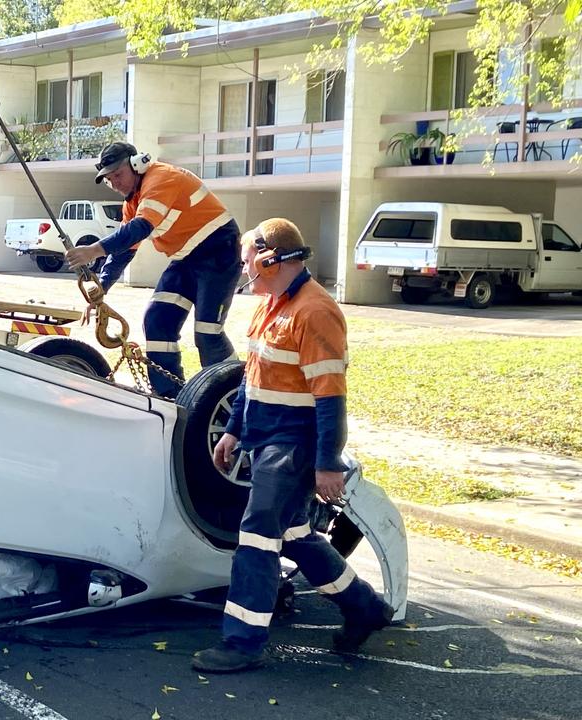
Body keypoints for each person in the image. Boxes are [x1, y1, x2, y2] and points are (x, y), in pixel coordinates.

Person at [191, 218, 392, 674]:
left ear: (268, 259)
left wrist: (326, 464)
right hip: (268, 440)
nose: (243, 270)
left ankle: (241, 643)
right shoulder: (273, 304)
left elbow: (330, 397)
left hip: (293, 445)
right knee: (295, 535)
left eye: (246, 261)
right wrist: (234, 429)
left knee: (258, 537)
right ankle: (364, 608)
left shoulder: (314, 311)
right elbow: (253, 376)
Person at [65, 142, 241, 397]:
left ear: (138, 164)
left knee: (208, 333)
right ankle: (171, 396)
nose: (115, 184)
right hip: (187, 259)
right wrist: (101, 290)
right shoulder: (133, 203)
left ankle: (234, 394)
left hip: (219, 253)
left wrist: (93, 250)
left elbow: (139, 229)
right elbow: (126, 249)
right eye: (109, 180)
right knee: (157, 320)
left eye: (118, 175)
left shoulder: (161, 178)